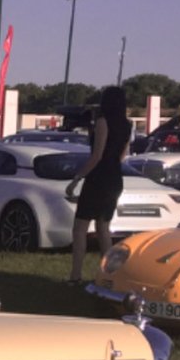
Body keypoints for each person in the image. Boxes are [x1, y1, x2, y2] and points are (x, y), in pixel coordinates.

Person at [67, 86, 132, 284]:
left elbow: (97, 155)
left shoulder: (103, 122)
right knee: (104, 227)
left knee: (80, 228)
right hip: (115, 177)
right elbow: (123, 155)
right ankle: (109, 275)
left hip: (98, 177)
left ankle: (76, 275)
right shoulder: (127, 125)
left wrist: (77, 178)